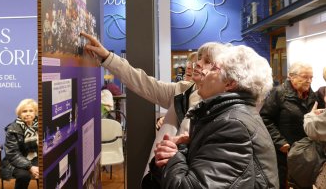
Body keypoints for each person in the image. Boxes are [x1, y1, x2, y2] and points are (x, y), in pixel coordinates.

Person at [80, 32, 228, 180]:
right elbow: (141, 81)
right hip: (161, 176)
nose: (198, 64)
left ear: (221, 72)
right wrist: (107, 57)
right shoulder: (181, 90)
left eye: (207, 61)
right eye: (200, 58)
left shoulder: (225, 110)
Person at [152, 44, 279, 188]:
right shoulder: (230, 117)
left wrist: (173, 156)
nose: (204, 72)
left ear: (230, 83)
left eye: (213, 68)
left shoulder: (233, 125)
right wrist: (184, 148)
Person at [260, 62, 323, 189]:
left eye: (311, 77)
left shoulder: (313, 96)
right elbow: (265, 118)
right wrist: (280, 142)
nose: (309, 81)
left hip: (308, 153)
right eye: (305, 77)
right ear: (291, 76)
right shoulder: (278, 93)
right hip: (286, 153)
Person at [1, 99, 39, 189]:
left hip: (37, 156)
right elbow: (13, 153)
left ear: (35, 112)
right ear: (19, 113)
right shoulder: (12, 129)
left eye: (31, 111)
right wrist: (30, 167)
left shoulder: (41, 124)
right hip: (17, 160)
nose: (28, 114)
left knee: (47, 170)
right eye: (24, 111)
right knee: (23, 176)